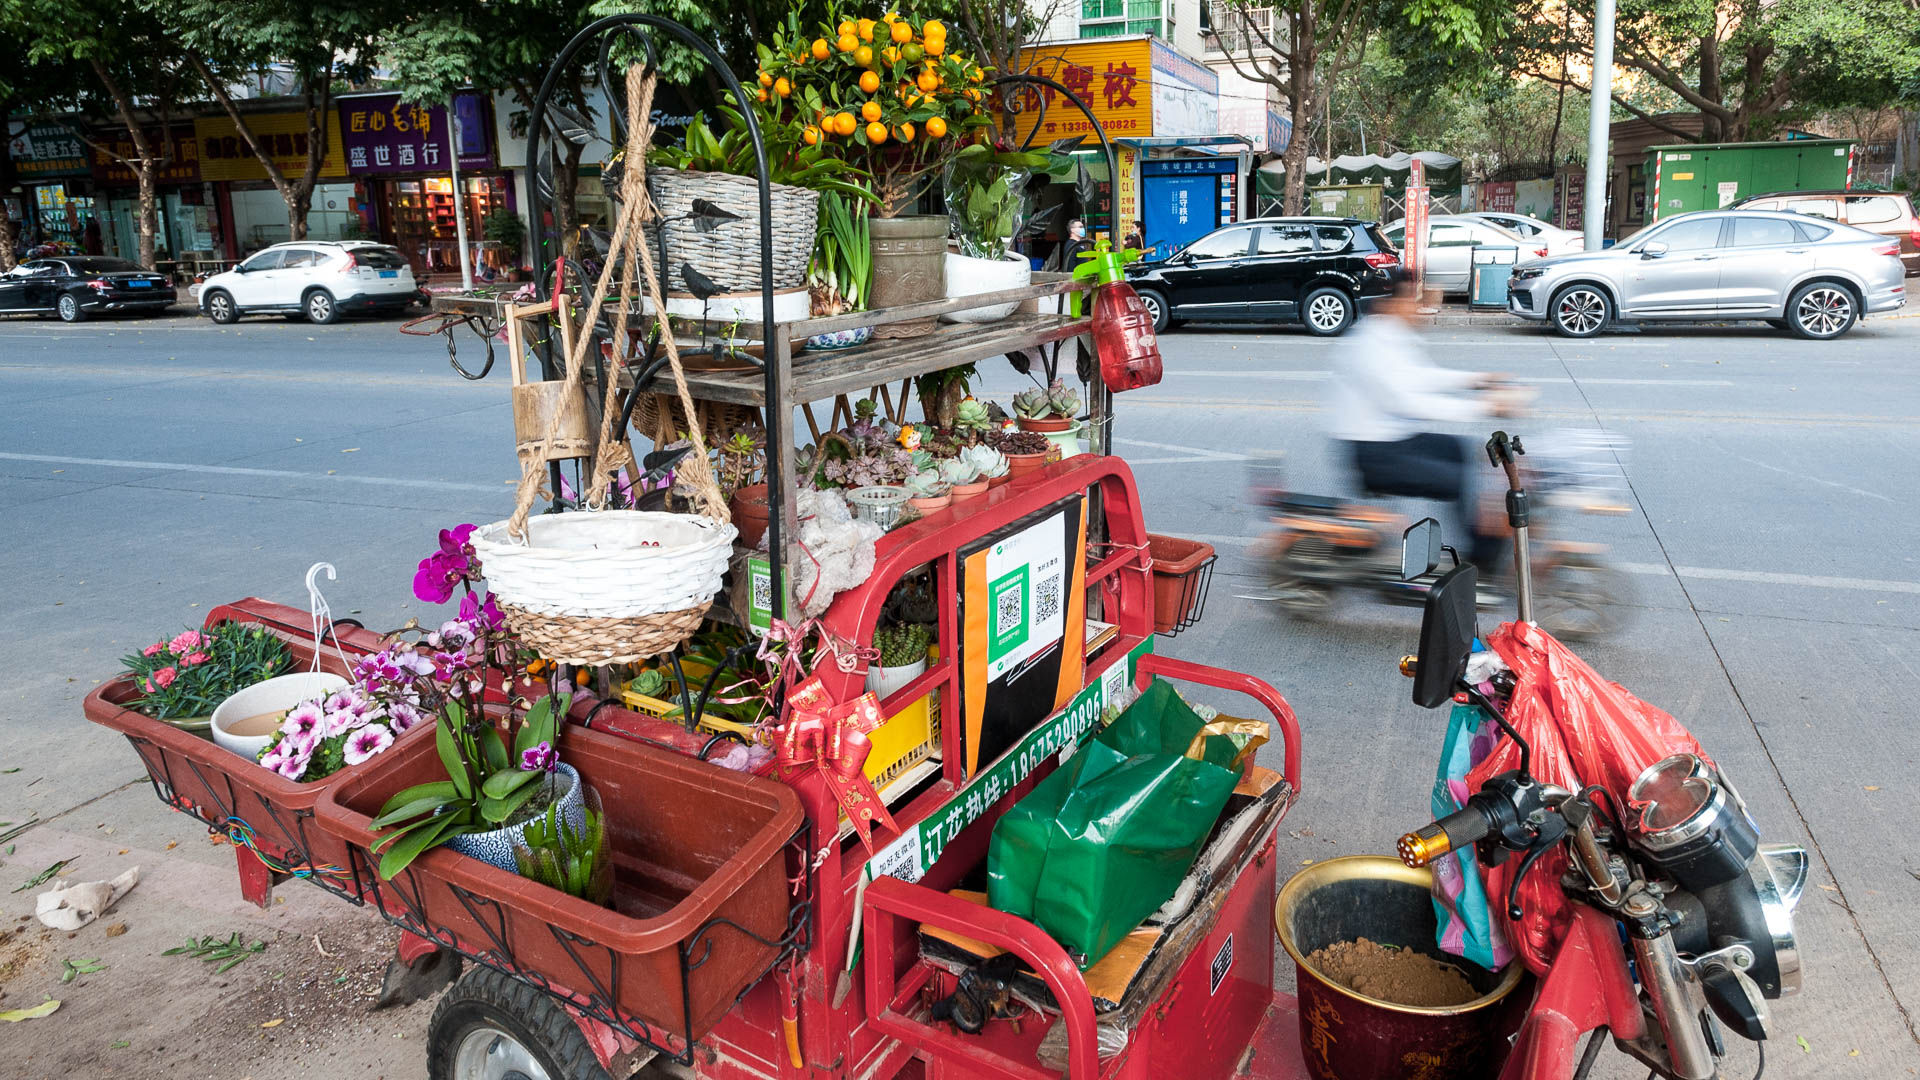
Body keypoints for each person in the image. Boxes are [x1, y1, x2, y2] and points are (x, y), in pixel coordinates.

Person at [1326, 276, 1522, 571]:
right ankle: (1481, 564)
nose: (1419, 309)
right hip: (1374, 452)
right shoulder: (1370, 346)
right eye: (1412, 301)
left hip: (1397, 440)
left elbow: (1423, 377)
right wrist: (1485, 407)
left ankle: (1481, 552)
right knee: (1456, 480)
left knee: (1463, 450)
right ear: (1390, 304)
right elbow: (1408, 401)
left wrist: (1478, 380)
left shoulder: (1391, 336)